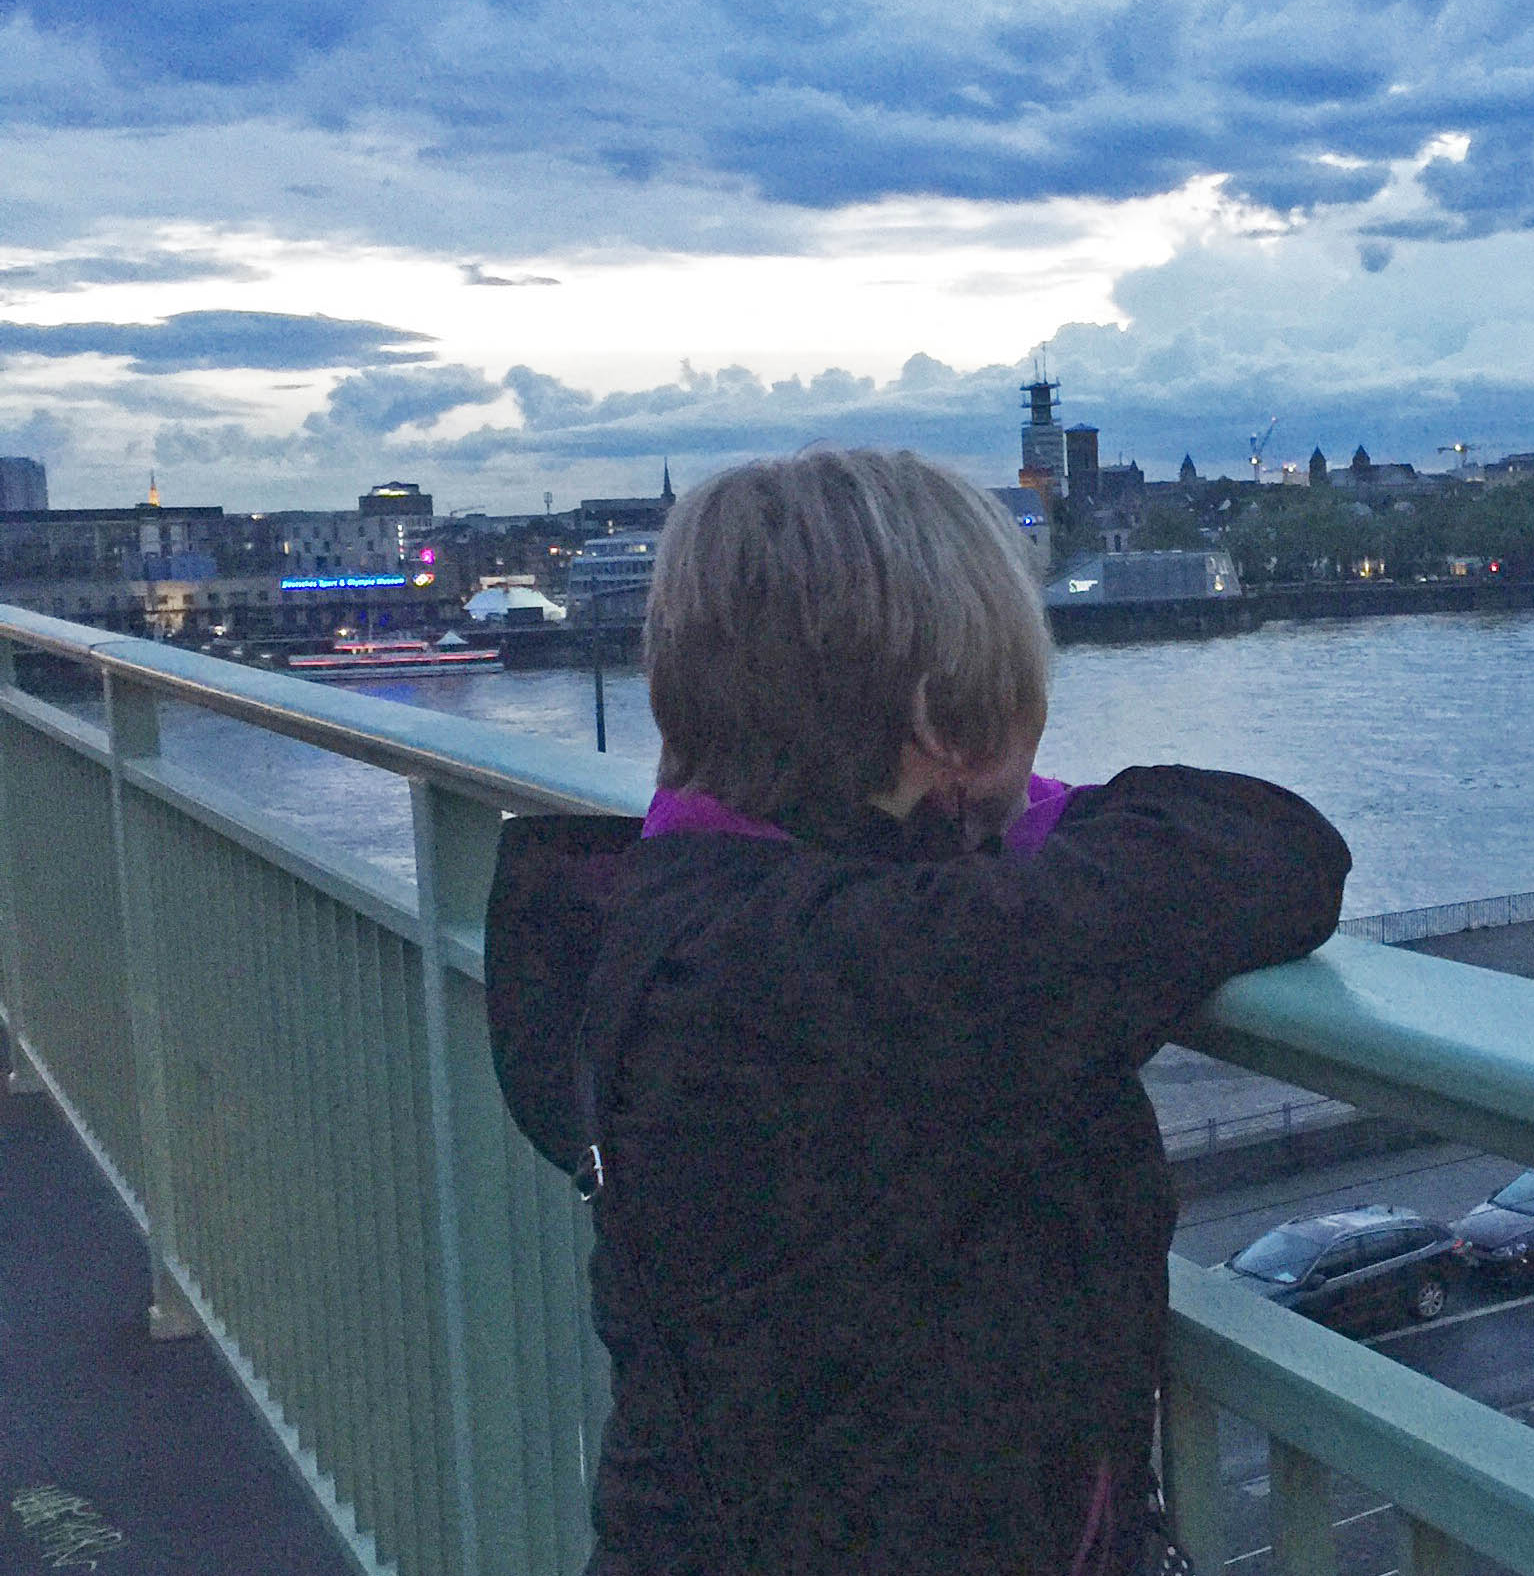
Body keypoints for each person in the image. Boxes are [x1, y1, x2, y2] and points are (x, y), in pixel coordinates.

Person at [484, 447, 1351, 1574]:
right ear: (951, 723)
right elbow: (1273, 848)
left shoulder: (670, 915)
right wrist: (1015, 811)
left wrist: (979, 810)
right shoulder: (871, 966)